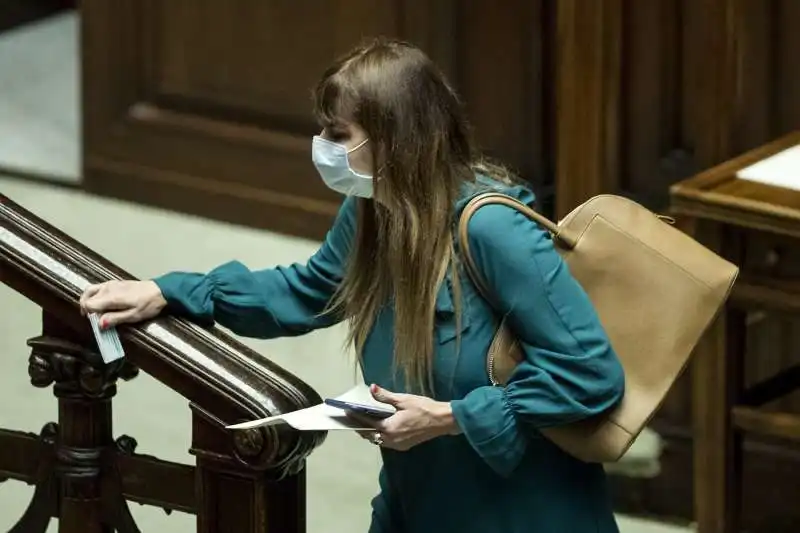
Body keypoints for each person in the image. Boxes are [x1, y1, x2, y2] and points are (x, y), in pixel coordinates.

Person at [80, 38, 625, 533]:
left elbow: (590, 374)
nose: (322, 146)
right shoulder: (373, 208)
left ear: (397, 138)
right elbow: (310, 291)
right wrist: (170, 292)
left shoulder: (491, 228)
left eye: (338, 134)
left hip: (521, 510)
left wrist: (452, 417)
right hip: (418, 493)